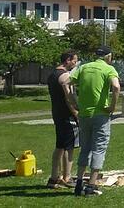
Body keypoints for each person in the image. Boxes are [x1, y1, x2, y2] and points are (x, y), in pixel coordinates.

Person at [70, 46, 121, 197]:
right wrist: (112, 106)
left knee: (85, 148)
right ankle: (91, 186)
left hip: (84, 114)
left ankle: (78, 184)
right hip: (100, 114)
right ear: (108, 56)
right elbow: (116, 87)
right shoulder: (108, 69)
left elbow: (67, 83)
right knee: (99, 148)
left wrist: (74, 102)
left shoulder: (84, 67)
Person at [47, 50, 79, 189]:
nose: (75, 63)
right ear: (67, 60)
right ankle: (67, 177)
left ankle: (54, 178)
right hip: (67, 116)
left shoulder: (52, 74)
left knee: (60, 146)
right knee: (69, 147)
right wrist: (76, 113)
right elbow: (69, 98)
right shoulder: (65, 76)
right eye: (74, 60)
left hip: (57, 114)